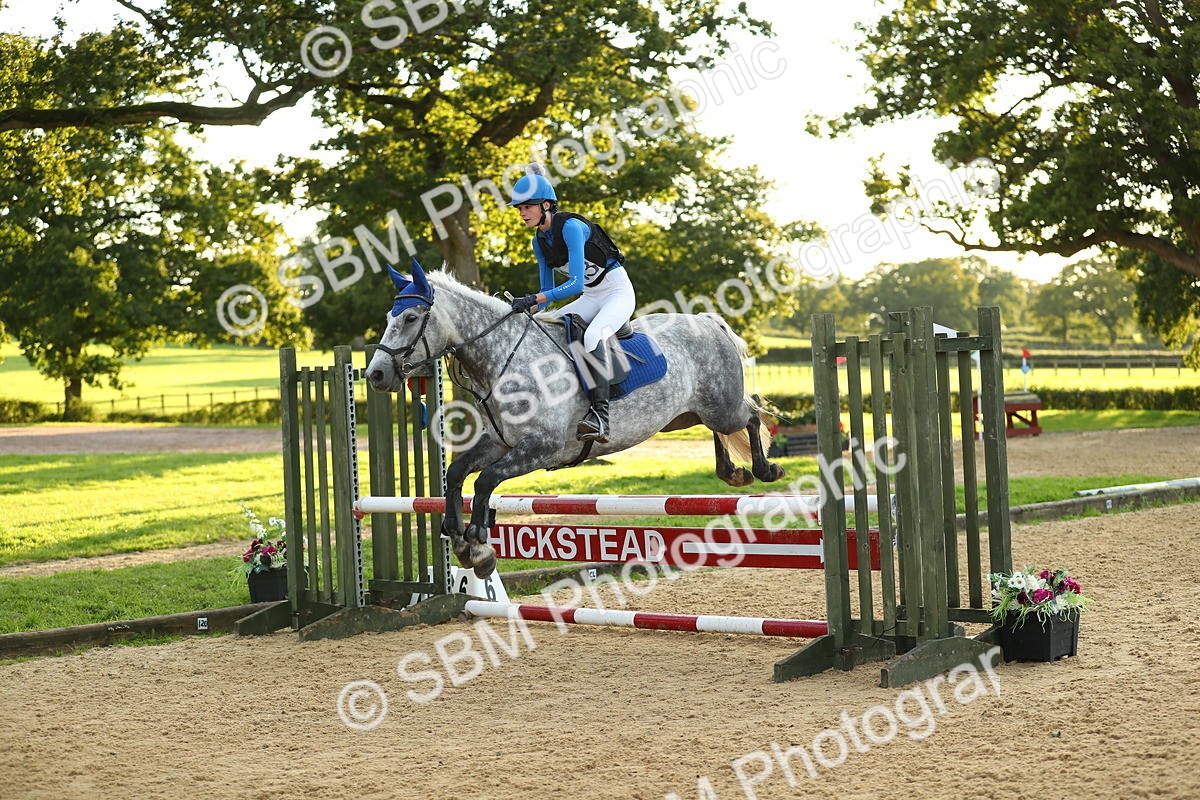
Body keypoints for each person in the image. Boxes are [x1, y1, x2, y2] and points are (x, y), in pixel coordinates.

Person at [507, 163, 635, 444]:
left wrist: (537, 299)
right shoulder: (539, 242)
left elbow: (574, 284)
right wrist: (519, 310)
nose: (522, 213)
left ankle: (601, 418)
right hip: (591, 297)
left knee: (591, 336)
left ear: (545, 205)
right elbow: (545, 293)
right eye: (519, 208)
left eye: (527, 206)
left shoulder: (572, 228)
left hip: (616, 292)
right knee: (547, 330)